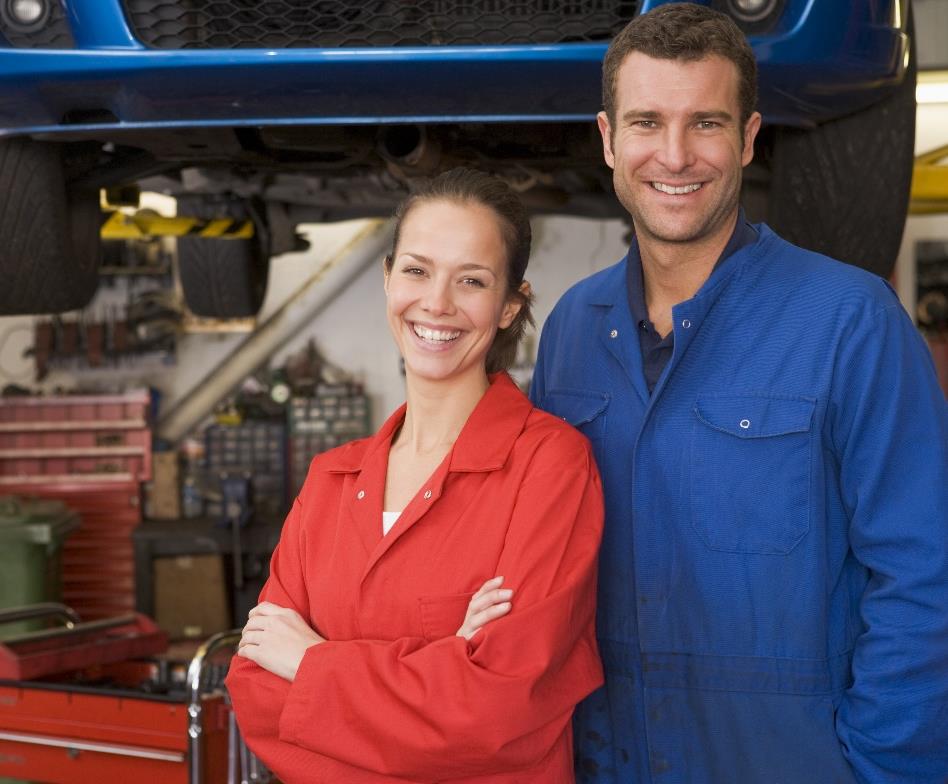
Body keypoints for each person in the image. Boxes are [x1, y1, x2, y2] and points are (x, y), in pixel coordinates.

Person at [529, 5, 948, 783]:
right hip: (611, 760)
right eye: (648, 122)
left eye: (707, 123)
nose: (676, 155)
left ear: (750, 137)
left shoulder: (850, 322)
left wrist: (884, 769)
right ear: (608, 139)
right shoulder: (572, 332)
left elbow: (927, 576)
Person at [225, 167, 605, 784]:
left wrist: (314, 663)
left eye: (472, 280)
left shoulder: (549, 466)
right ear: (387, 279)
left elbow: (500, 709)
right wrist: (442, 667)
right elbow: (256, 694)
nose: (437, 303)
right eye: (417, 270)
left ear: (510, 305)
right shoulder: (329, 481)